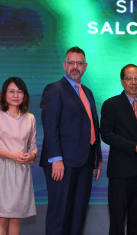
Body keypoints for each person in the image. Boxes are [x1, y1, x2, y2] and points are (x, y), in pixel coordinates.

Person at [39, 46, 102, 235]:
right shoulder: (55, 89)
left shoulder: (87, 92)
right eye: (71, 63)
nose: (75, 67)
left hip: (84, 162)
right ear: (64, 65)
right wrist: (56, 158)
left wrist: (96, 158)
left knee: (77, 216)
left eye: (79, 63)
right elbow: (50, 127)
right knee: (60, 216)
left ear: (85, 66)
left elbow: (92, 126)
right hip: (62, 164)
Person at [100, 64, 137, 235]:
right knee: (118, 224)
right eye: (129, 78)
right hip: (120, 174)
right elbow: (106, 134)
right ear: (122, 81)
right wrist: (132, 147)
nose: (134, 82)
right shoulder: (111, 104)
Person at [0, 77, 37, 235]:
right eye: (11, 91)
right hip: (2, 171)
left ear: (24, 95)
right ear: (4, 94)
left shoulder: (30, 118)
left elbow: (33, 145)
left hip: (21, 172)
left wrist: (30, 156)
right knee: (1, 217)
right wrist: (11, 155)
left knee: (16, 218)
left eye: (20, 91)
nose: (16, 95)